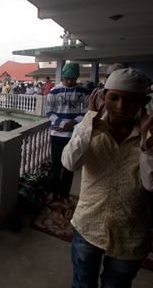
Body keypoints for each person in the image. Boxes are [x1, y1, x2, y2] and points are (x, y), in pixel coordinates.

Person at [62, 68, 153, 287]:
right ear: (103, 97)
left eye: (130, 100)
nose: (121, 106)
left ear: (143, 101)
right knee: (82, 283)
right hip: (88, 225)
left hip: (130, 232)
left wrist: (148, 144)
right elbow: (69, 163)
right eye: (114, 98)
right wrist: (87, 122)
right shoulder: (90, 129)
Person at [45, 63, 89, 203]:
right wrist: (62, 124)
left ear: (76, 77)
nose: (69, 82)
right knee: (55, 165)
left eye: (72, 79)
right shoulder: (53, 91)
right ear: (62, 77)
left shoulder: (83, 91)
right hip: (57, 134)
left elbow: (87, 111)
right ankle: (53, 192)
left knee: (69, 165)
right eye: (66, 78)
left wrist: (73, 123)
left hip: (74, 134)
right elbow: (49, 112)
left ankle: (64, 194)